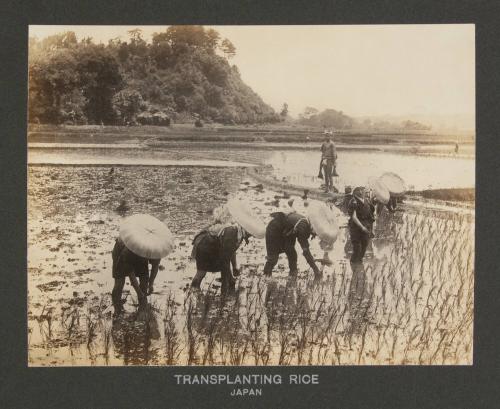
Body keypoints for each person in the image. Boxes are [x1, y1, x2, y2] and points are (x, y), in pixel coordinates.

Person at [190, 223, 250, 295]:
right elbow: (225, 262)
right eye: (250, 234)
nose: (251, 236)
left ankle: (230, 286)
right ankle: (193, 291)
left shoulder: (239, 233)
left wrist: (234, 267)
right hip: (204, 246)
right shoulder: (231, 234)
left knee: (230, 279)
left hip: (214, 247)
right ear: (246, 230)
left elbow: (232, 252)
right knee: (201, 273)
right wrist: (224, 289)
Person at [263, 209, 321, 279]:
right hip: (274, 229)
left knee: (291, 253)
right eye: (315, 234)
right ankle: (266, 278)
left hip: (286, 231)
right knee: (273, 257)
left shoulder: (305, 222)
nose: (315, 236)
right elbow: (306, 252)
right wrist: (316, 270)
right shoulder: (303, 227)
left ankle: (293, 275)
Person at [111, 237, 160, 315]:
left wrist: (150, 284)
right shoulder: (131, 249)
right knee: (119, 283)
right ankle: (117, 309)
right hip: (121, 250)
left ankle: (142, 308)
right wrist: (139, 292)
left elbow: (155, 266)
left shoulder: (157, 249)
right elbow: (130, 272)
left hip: (140, 254)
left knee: (144, 281)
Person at [347, 187, 375, 263]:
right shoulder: (353, 201)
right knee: (357, 248)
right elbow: (354, 217)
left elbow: (371, 218)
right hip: (355, 228)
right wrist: (362, 227)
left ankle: (359, 264)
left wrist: (372, 230)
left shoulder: (367, 201)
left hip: (366, 227)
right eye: (363, 190)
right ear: (359, 191)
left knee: (364, 247)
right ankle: (353, 264)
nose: (365, 192)